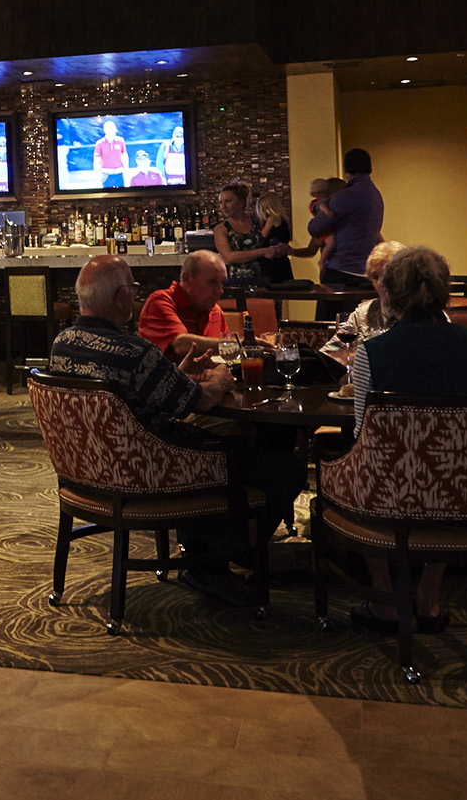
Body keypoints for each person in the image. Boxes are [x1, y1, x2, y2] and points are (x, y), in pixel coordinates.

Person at [50, 255, 303, 606]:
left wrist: (175, 376)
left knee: (234, 447)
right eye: (132, 289)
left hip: (90, 470)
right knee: (282, 468)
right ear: (121, 297)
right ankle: (211, 560)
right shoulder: (134, 352)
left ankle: (207, 548)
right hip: (151, 473)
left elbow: (144, 393)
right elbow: (200, 401)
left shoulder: (62, 344)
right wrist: (219, 378)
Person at [341, 246, 467, 633]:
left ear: (389, 294)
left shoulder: (372, 353)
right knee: (454, 462)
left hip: (395, 498)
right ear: (444, 291)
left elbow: (365, 439)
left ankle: (384, 600)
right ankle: (428, 596)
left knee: (364, 463)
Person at [137, 250, 235, 358]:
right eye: (212, 282)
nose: (220, 291)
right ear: (187, 279)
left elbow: (224, 358)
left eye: (222, 283)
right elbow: (181, 345)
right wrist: (239, 345)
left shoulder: (215, 311)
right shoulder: (160, 301)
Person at [308, 149, 383, 285]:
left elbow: (314, 227)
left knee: (332, 306)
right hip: (365, 269)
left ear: (347, 168)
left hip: (342, 270)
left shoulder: (347, 195)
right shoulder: (376, 195)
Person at [321, 240, 405, 352]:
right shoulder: (363, 314)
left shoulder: (421, 313)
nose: (381, 282)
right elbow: (330, 351)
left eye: (387, 275)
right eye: (375, 277)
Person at [214, 182, 284, 283]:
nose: (223, 206)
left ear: (241, 202)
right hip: (236, 282)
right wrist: (262, 252)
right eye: (221, 202)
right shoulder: (221, 229)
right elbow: (229, 257)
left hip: (265, 280)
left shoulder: (258, 222)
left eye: (228, 201)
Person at [256, 192, 294, 284]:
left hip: (273, 262)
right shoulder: (282, 220)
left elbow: (262, 237)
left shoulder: (271, 219)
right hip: (282, 260)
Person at [93, 118, 127, 187]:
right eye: (110, 130)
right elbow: (96, 160)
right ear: (105, 131)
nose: (112, 132)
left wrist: (126, 169)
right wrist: (98, 175)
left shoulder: (120, 141)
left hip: (119, 173)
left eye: (113, 130)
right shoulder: (99, 143)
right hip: (106, 174)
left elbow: (124, 155)